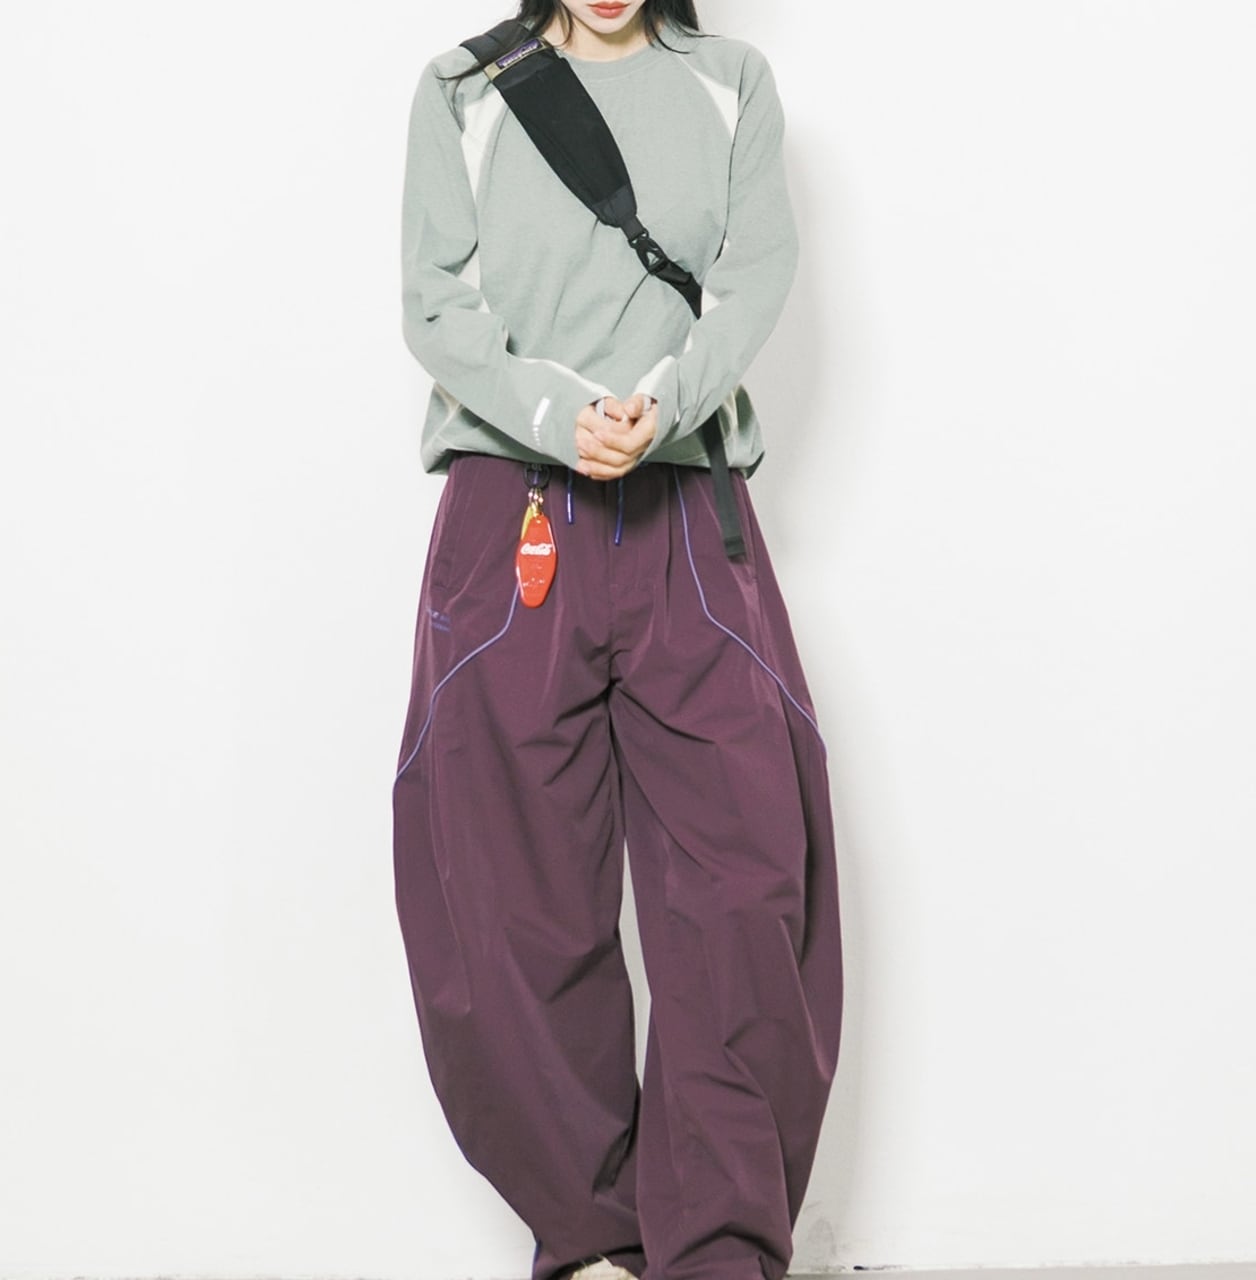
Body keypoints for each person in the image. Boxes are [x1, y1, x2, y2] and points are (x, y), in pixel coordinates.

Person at [391, 3, 844, 1278]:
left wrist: (663, 401)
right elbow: (434, 304)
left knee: (745, 881)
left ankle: (717, 1247)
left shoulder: (731, 83)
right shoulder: (460, 89)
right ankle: (590, 1238)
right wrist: (558, 412)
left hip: (687, 508)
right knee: (502, 891)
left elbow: (754, 273)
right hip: (511, 513)